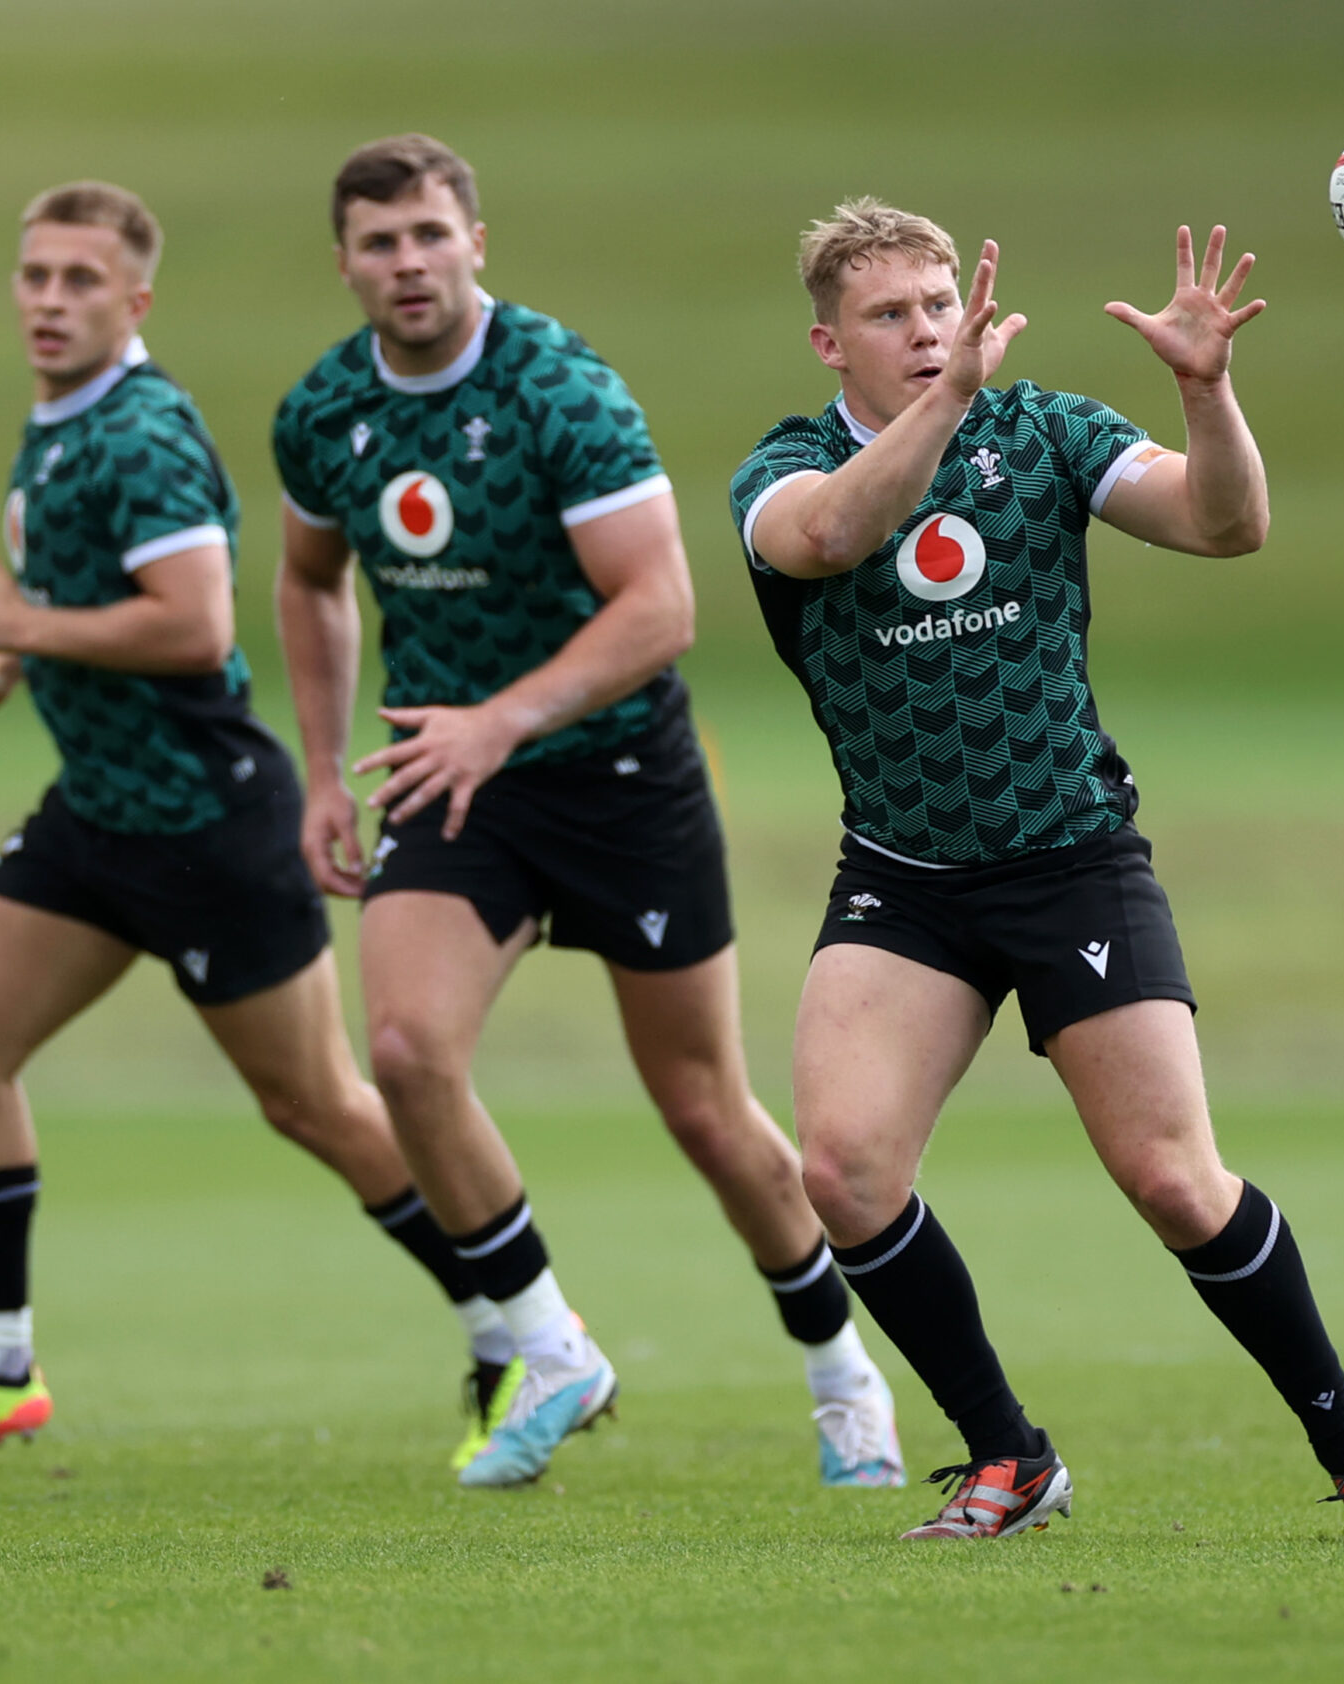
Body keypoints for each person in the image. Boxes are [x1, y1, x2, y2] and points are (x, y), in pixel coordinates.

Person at [728, 198, 1344, 1542]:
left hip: (1071, 858)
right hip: (907, 877)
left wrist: (1207, 393)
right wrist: (943, 409)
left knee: (1178, 1181)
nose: (926, 332)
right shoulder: (778, 469)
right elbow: (829, 537)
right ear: (829, 342)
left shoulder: (1044, 430)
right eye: (890, 316)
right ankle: (1009, 1455)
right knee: (843, 1173)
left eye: (939, 305)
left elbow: (1223, 526)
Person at [271, 136, 900, 1490]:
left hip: (619, 775)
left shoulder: (560, 389)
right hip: (452, 777)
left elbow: (662, 609)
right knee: (406, 1050)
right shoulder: (324, 412)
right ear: (345, 263)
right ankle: (548, 1344)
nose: (409, 263)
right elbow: (312, 581)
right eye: (380, 243)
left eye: (431, 234)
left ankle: (842, 1369)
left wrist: (506, 716)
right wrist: (323, 767)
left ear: (475, 240)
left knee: (701, 1106)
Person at [0, 183, 498, 1460]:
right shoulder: (60, 421)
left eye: (80, 280)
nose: (48, 300)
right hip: (98, 816)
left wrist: (22, 628)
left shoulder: (140, 430)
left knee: (320, 1108)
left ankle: (517, 1326)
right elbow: (95, 596)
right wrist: (15, 668)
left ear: (134, 301)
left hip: (205, 829)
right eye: (35, 276)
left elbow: (193, 623)